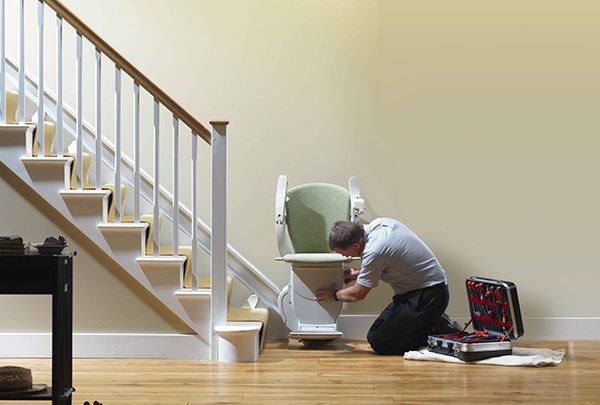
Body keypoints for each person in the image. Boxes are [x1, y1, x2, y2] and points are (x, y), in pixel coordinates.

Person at [316, 218, 461, 355]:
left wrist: (334, 295)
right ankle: (432, 321)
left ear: (355, 246)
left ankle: (439, 333)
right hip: (418, 292)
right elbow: (389, 261)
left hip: (428, 296)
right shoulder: (380, 224)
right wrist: (357, 274)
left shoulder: (374, 250)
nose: (345, 257)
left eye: (344, 254)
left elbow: (357, 294)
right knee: (375, 333)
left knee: (380, 342)